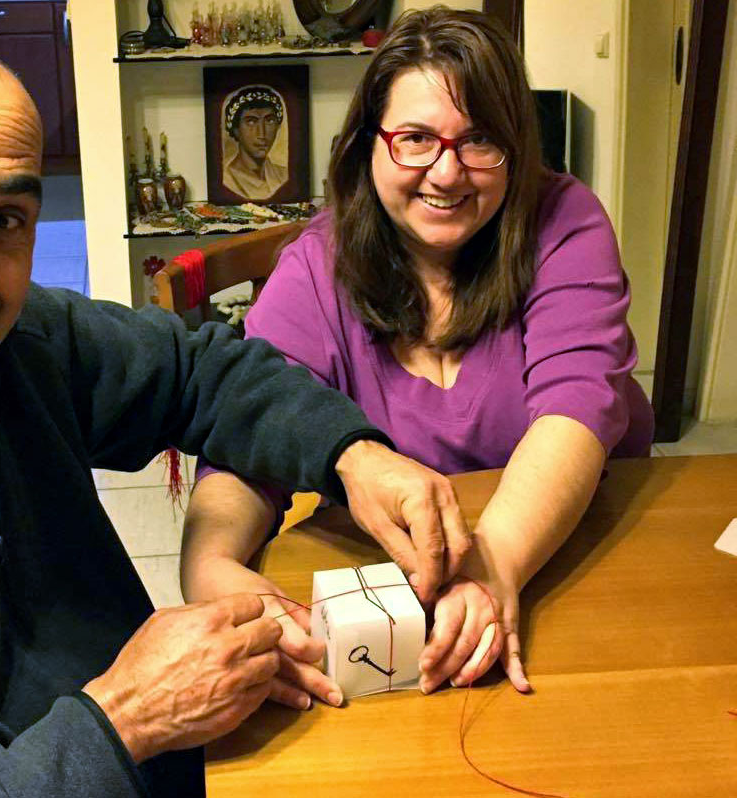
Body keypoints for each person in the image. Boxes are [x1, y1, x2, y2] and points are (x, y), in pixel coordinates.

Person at [0, 31, 472, 798]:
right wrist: (124, 720)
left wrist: (354, 455)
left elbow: (200, 370)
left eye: (4, 218)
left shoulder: (11, 340)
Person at [181, 6, 655, 712]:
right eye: (415, 139)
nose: (447, 172)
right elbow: (253, 431)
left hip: (572, 561)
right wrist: (211, 566)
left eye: (480, 139)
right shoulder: (315, 267)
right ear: (367, 144)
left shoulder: (565, 219)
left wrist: (494, 565)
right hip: (414, 605)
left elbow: (577, 406)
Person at [222, 85, 289, 200]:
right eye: (251, 122)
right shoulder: (227, 180)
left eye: (269, 120)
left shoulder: (283, 176)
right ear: (236, 130)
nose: (261, 134)